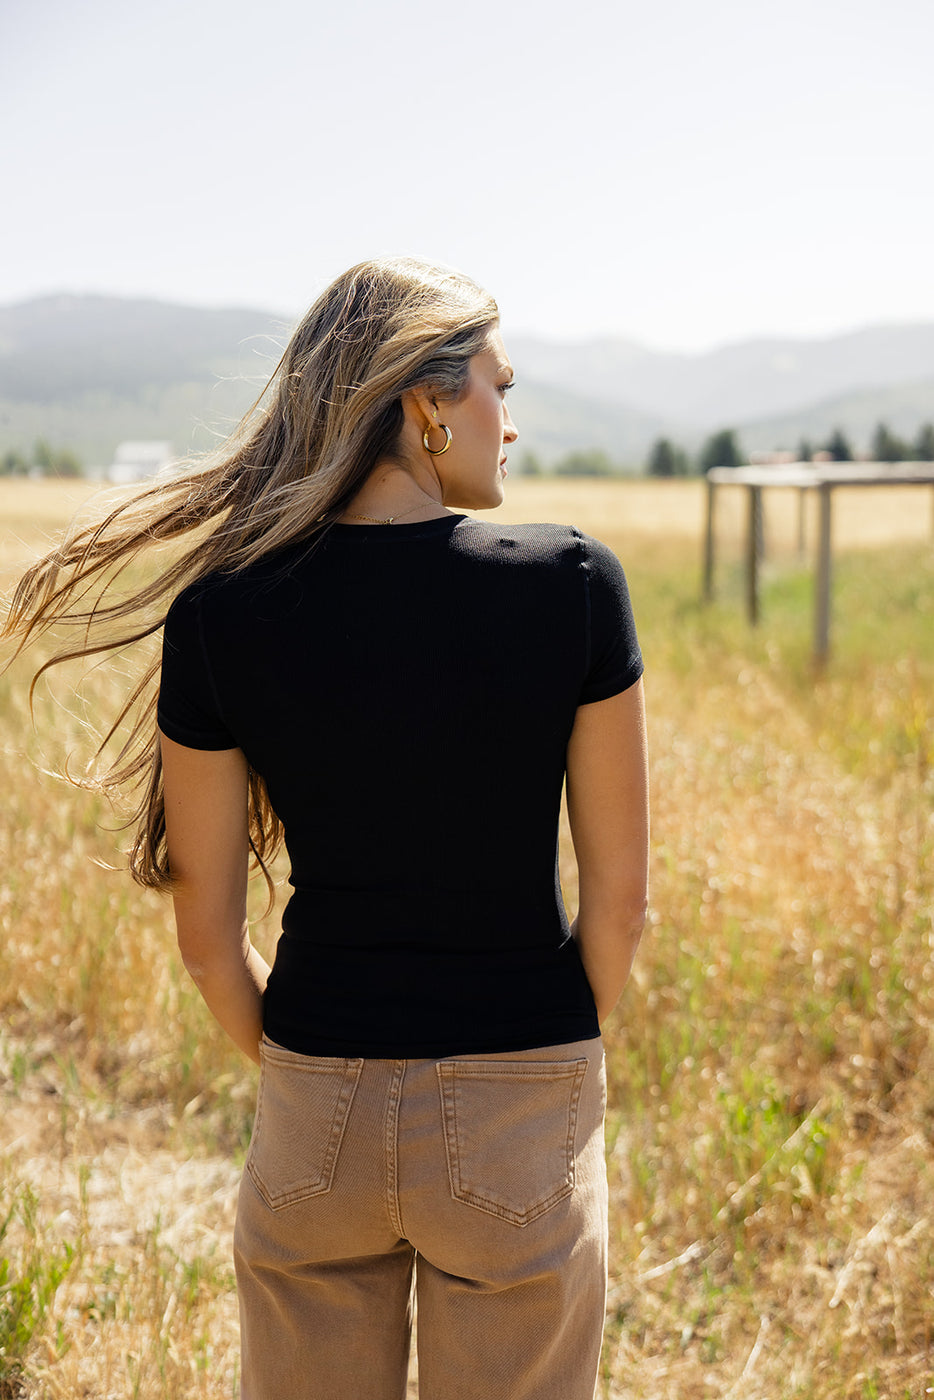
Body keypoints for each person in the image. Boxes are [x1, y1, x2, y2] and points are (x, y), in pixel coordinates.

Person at [3, 257, 648, 1400]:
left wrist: (317, 1072)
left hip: (317, 1106)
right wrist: (543, 1058)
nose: (511, 422)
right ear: (427, 401)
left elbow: (208, 940)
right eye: (500, 385)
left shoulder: (223, 611)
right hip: (518, 1097)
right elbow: (621, 905)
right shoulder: (572, 583)